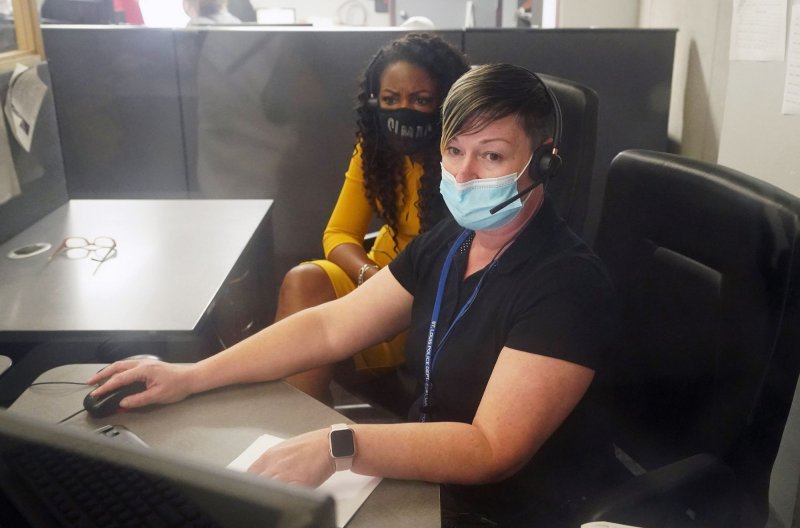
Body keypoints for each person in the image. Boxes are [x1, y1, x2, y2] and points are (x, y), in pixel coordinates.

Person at [87, 64, 619, 527]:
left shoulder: (568, 284)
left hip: (508, 510)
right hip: (425, 482)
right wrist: (190, 375)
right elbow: (330, 325)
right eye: (454, 150)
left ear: (544, 160)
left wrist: (340, 445)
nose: (463, 174)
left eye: (492, 156)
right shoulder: (454, 239)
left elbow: (490, 449)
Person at [276, 33, 469, 404]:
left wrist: (395, 289)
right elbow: (338, 233)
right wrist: (371, 275)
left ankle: (301, 436)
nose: (403, 111)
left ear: (447, 100)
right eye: (390, 100)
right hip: (378, 281)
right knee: (303, 281)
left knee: (312, 333)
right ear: (375, 102)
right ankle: (296, 432)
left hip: (437, 296)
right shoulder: (376, 147)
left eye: (421, 100)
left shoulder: (467, 153)